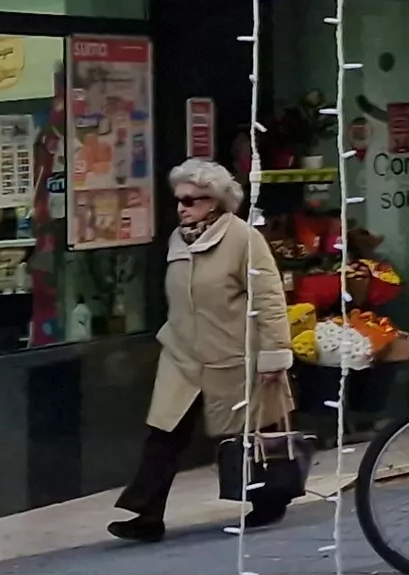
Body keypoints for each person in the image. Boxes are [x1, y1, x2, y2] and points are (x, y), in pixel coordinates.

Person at [111, 159, 295, 543]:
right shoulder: (179, 240)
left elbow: (271, 298)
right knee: (164, 432)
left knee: (256, 432)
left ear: (215, 202)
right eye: (179, 199)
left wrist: (275, 354)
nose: (182, 207)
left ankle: (271, 499)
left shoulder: (245, 239)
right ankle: (147, 514)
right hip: (183, 355)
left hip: (233, 356)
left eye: (192, 200)